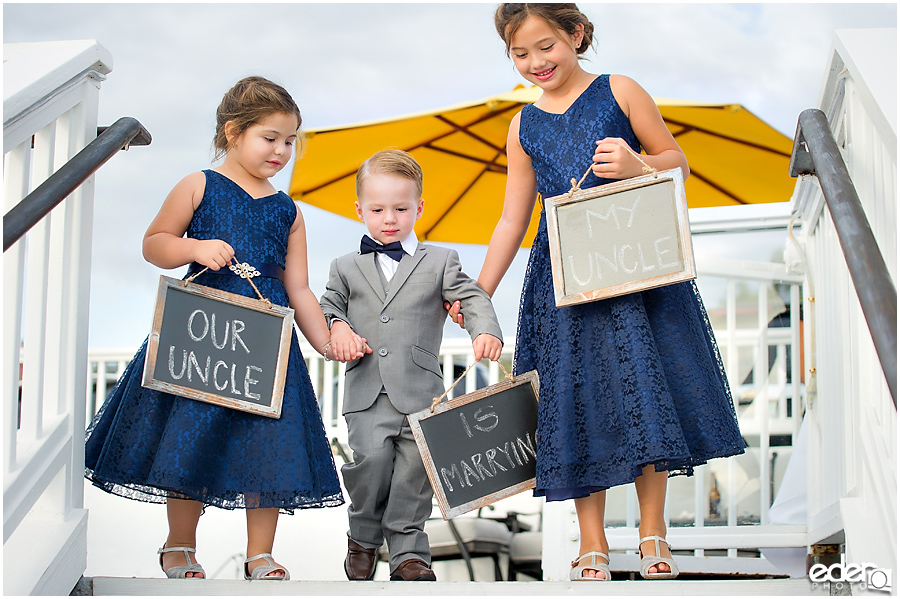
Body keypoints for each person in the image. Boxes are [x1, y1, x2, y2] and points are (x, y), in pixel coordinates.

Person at [448, 4, 746, 581]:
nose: (536, 62)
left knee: (646, 390)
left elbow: (676, 164)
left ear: (577, 35)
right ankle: (592, 544)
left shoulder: (621, 89)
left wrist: (637, 164)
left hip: (635, 270)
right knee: (575, 402)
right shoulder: (522, 126)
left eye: (547, 47)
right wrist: (477, 290)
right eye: (520, 53)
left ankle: (653, 533)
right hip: (563, 281)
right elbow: (512, 220)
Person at [84, 76, 361, 581]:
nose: (281, 150)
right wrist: (193, 248)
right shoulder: (199, 185)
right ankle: (180, 545)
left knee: (267, 442)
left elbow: (297, 287)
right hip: (201, 331)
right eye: (269, 137)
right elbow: (155, 243)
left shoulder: (288, 210)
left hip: (265, 341)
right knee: (191, 435)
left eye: (290, 141)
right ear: (233, 132)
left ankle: (260, 554)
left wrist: (323, 339)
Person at [320, 149, 504, 582]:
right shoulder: (344, 266)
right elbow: (329, 305)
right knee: (368, 462)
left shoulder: (440, 260)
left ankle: (407, 552)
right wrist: (338, 327)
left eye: (401, 209)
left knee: (414, 472)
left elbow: (472, 295)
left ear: (418, 208)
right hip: (366, 390)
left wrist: (485, 329)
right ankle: (362, 537)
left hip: (421, 390)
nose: (389, 218)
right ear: (360, 210)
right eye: (378, 209)